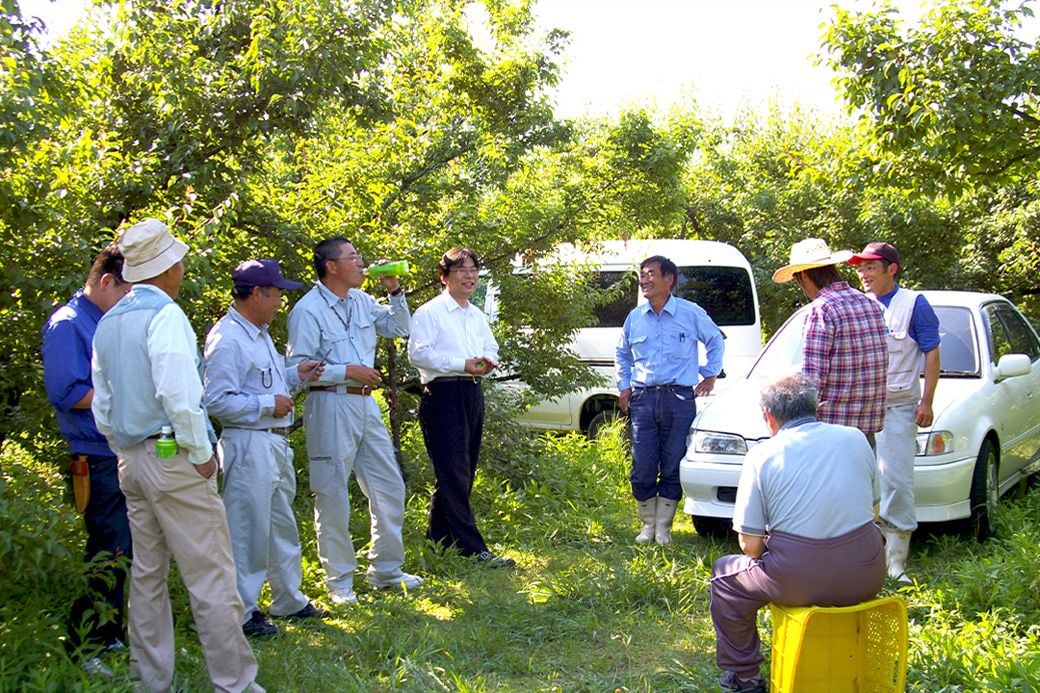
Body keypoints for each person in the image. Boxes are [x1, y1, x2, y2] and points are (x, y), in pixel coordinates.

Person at [91, 219, 262, 692]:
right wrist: (202, 452)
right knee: (210, 573)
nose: (183, 267)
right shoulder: (164, 316)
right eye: (178, 259)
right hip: (174, 457)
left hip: (131, 459)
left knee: (147, 575)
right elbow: (180, 395)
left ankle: (150, 680)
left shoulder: (109, 319)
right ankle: (235, 683)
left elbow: (103, 402)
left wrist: (123, 447)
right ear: (166, 266)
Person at [710, 374, 885, 693]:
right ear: (817, 407)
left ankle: (745, 679)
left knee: (725, 577)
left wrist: (783, 552)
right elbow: (873, 512)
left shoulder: (762, 455)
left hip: (797, 580)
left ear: (768, 415)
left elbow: (749, 545)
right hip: (867, 572)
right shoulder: (856, 438)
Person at [286, 236, 422, 606]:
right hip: (330, 405)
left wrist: (395, 292)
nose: (362, 264)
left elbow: (398, 328)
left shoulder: (362, 301)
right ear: (331, 266)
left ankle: (386, 571)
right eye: (354, 258)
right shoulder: (308, 310)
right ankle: (339, 583)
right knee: (332, 493)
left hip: (366, 406)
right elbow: (295, 369)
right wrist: (347, 371)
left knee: (389, 485)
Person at [204, 259, 330, 637]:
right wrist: (266, 406)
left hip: (274, 443)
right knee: (246, 531)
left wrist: (296, 375)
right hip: (247, 444)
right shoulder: (227, 339)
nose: (280, 302)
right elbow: (215, 401)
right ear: (256, 293)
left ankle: (288, 599)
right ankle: (241, 613)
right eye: (276, 294)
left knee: (279, 525)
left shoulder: (257, 334)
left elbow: (264, 384)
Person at [42, 244, 133, 670]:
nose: (128, 301)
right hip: (93, 453)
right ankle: (85, 645)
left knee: (125, 548)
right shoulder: (69, 323)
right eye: (125, 290)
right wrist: (127, 402)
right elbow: (68, 391)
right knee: (107, 548)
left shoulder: (108, 321)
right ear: (105, 281)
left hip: (120, 448)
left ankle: (111, 632)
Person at [407, 248, 515, 568]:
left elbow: (490, 346)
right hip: (442, 394)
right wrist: (461, 363)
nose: (469, 276)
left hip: (471, 392)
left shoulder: (475, 314)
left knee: (461, 471)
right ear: (444, 277)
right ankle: (472, 548)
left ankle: (437, 539)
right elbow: (418, 355)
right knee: (454, 471)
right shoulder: (430, 312)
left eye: (473, 270)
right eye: (461, 270)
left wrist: (486, 361)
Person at [616, 255, 724, 545]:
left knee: (673, 464)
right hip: (643, 400)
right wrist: (623, 387)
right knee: (642, 467)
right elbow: (622, 354)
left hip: (679, 399)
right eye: (642, 275)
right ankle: (647, 526)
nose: (645, 280)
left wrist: (710, 374)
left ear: (669, 279)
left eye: (651, 274)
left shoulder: (690, 313)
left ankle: (663, 528)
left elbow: (715, 340)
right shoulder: (635, 317)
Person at [850, 241, 940, 582]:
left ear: (892, 268)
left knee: (897, 480)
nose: (864, 274)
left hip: (899, 405)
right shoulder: (858, 304)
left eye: (871, 267)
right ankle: (860, 552)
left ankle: (896, 561)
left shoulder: (914, 304)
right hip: (858, 404)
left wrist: (927, 400)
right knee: (855, 476)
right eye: (860, 268)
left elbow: (931, 352)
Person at [772, 238, 888, 443]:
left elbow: (812, 381)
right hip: (866, 434)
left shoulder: (821, 310)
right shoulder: (869, 304)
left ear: (804, 276)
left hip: (829, 433)